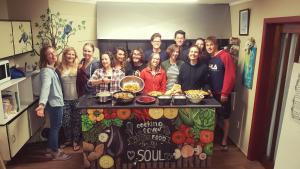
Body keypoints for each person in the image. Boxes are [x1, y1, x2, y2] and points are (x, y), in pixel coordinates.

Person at [35, 45, 71, 160]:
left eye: (53, 52)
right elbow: (45, 88)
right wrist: (41, 105)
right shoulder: (46, 71)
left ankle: (50, 149)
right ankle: (55, 153)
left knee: (55, 127)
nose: (53, 55)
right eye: (49, 53)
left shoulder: (51, 69)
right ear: (45, 57)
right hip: (55, 103)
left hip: (55, 102)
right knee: (55, 128)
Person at [206, 36, 236, 151]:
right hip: (212, 95)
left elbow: (231, 75)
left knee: (225, 118)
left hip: (222, 95)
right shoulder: (211, 58)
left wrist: (225, 93)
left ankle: (224, 141)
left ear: (216, 45)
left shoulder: (225, 56)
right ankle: (211, 140)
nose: (209, 47)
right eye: (207, 45)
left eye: (211, 44)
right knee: (213, 118)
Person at [56, 47, 81, 151]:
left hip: (77, 99)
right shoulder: (59, 68)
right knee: (66, 122)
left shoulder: (79, 67)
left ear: (75, 56)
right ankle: (68, 140)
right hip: (64, 100)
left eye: (73, 54)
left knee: (76, 121)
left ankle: (75, 141)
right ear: (65, 55)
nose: (71, 56)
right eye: (69, 54)